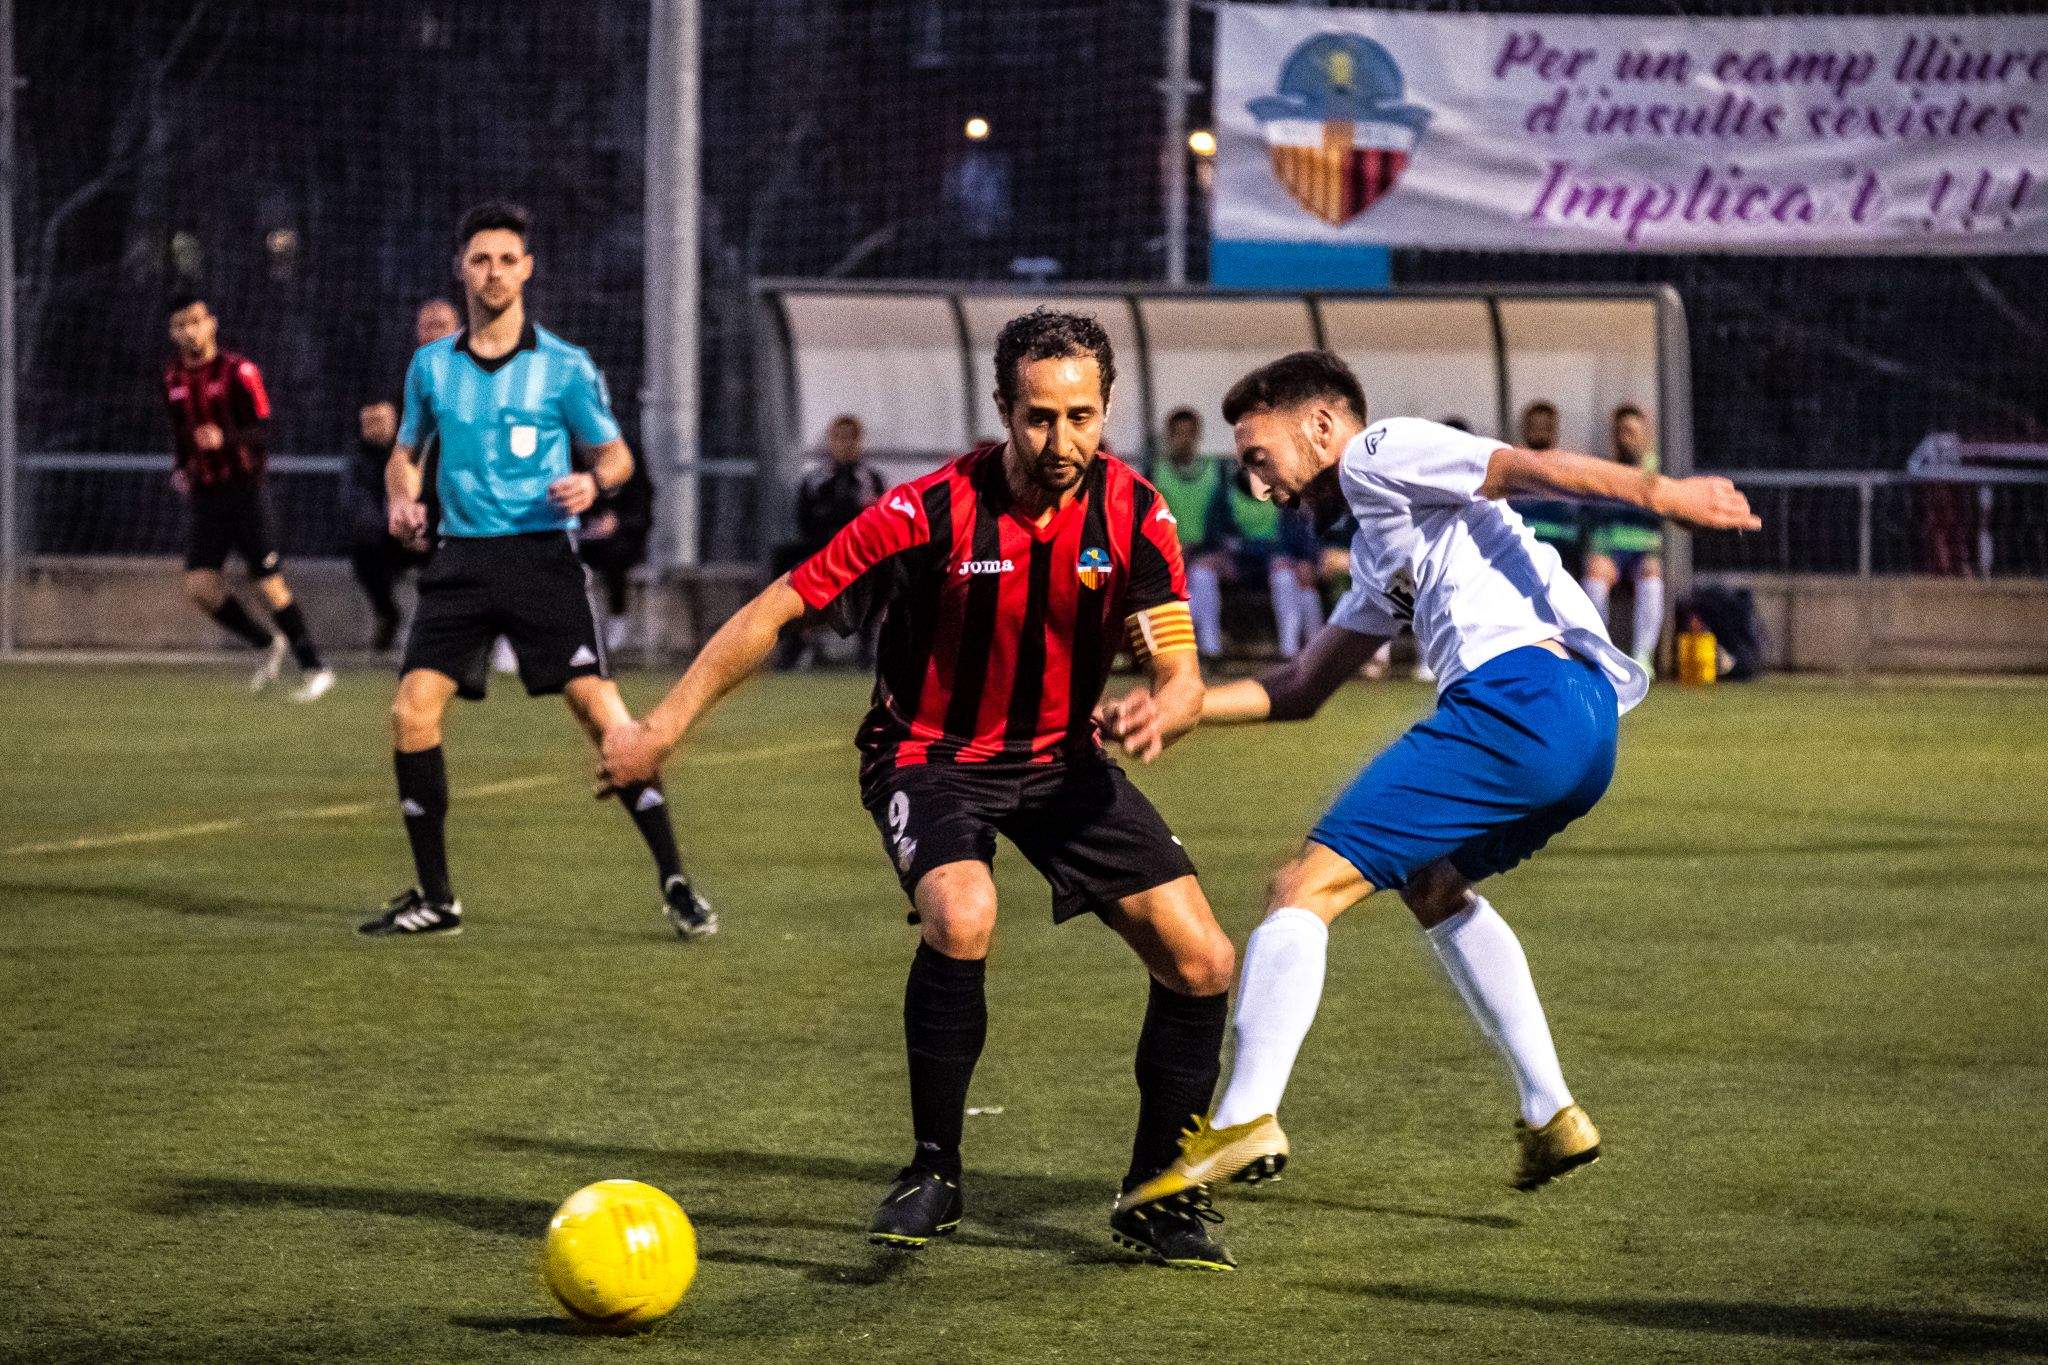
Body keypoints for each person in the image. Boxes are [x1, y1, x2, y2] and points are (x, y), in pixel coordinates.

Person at [602, 309, 1241, 1270]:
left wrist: (1171, 703)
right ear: (1001, 408)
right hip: (929, 755)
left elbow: (1177, 660)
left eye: (1080, 415)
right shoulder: (927, 511)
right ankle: (934, 1169)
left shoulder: (1137, 511)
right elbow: (780, 607)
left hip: (1064, 763)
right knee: (964, 909)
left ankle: (1157, 1192)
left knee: (1203, 960)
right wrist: (662, 727)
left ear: (1107, 408)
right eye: (1037, 417)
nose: (1059, 440)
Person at [1102, 351, 1758, 1215]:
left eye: (1262, 459)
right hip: (1582, 725)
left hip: (1517, 696)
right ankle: (1550, 1110)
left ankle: (1246, 1114)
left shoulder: (1378, 451)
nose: (1261, 490)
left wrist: (1664, 495)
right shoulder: (1382, 544)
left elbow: (1526, 467)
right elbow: (1303, 686)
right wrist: (1182, 707)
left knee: (1303, 887)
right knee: (1431, 880)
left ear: (1322, 427)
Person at [357, 201, 713, 942]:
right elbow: (405, 453)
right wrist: (402, 497)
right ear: (463, 267)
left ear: (528, 268)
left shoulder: (564, 367)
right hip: (460, 561)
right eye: (480, 258)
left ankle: (676, 879)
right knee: (410, 713)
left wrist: (594, 484)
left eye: (506, 259)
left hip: (542, 561)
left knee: (604, 720)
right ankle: (436, 896)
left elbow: (614, 456)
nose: (493, 272)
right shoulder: (431, 366)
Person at [160, 293, 335, 702]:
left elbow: (265, 429)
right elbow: (181, 433)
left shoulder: (240, 371)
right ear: (173, 332)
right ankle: (264, 643)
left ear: (212, 324)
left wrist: (228, 439)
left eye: (196, 321)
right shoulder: (171, 379)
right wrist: (181, 466)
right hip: (206, 496)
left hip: (244, 491)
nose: (190, 331)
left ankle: (315, 667)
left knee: (267, 581)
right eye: (181, 325)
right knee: (200, 585)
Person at [771, 414, 886, 668]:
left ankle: (867, 647)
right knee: (782, 557)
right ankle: (790, 637)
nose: (845, 444)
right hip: (822, 546)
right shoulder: (815, 480)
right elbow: (806, 522)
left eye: (850, 438)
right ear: (830, 441)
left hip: (858, 548)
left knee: (880, 566)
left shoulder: (870, 479)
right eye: (839, 438)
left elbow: (878, 520)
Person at [1581, 404, 1665, 671]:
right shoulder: (1604, 470)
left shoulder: (1655, 474)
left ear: (1644, 435)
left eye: (1632, 431)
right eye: (1621, 431)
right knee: (1595, 572)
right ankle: (1600, 655)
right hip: (1610, 550)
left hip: (1643, 552)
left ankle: (1643, 658)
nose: (1626, 437)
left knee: (1651, 573)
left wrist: (1648, 477)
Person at [1146, 407, 1229, 659]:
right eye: (1178, 434)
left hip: (1204, 553)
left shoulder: (1214, 472)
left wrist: (1211, 550)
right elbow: (1147, 519)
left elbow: (1222, 519)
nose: (1184, 439)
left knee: (1203, 578)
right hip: (1166, 554)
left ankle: (1210, 650)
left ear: (1198, 436)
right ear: (1169, 436)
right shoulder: (1155, 473)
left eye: (1189, 433)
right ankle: (1180, 652)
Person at [346, 400, 412, 650]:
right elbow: (356, 502)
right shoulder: (358, 458)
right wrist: (391, 526)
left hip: (420, 532)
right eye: (369, 422)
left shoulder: (411, 450)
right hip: (386, 535)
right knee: (364, 556)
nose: (375, 428)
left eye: (380, 421)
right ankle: (387, 614)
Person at [578, 452, 655, 655]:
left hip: (621, 544)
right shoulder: (571, 458)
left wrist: (617, 522)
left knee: (616, 558)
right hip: (584, 542)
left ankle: (616, 622)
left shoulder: (631, 464)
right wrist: (586, 524)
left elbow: (643, 512)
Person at [1506, 400, 1584, 578]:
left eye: (1546, 427)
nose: (1540, 432)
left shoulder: (1569, 467)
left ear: (1554, 430)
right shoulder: (1513, 467)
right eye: (1535, 426)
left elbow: (1573, 513)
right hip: (1520, 546)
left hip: (1563, 548)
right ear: (1525, 429)